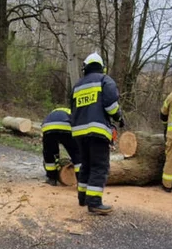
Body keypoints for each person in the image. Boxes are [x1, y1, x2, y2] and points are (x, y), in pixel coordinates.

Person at [70, 52, 123, 215]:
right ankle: (94, 203)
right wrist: (119, 117)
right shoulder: (104, 80)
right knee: (99, 166)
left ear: (85, 68)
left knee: (85, 165)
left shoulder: (78, 85)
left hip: (79, 132)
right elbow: (111, 106)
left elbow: (72, 109)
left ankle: (83, 197)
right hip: (97, 131)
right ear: (102, 67)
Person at [41, 107, 80, 186]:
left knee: (49, 153)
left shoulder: (52, 113)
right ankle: (81, 180)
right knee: (76, 153)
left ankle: (52, 178)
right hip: (66, 128)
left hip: (47, 128)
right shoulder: (71, 112)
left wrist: (56, 155)